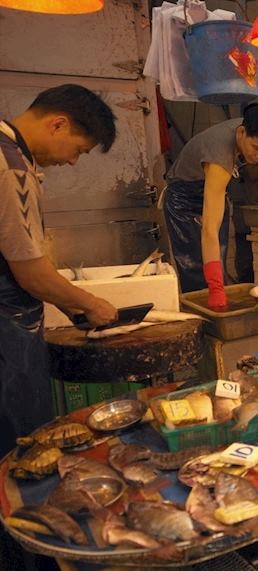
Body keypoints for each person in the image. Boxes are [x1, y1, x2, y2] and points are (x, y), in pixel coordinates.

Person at [0, 85, 118, 571]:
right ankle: (28, 555)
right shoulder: (7, 163)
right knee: (18, 456)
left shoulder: (17, 156)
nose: (73, 163)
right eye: (79, 151)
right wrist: (90, 305)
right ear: (58, 124)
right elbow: (30, 271)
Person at [162, 104, 258, 310]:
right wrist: (215, 288)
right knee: (196, 273)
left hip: (211, 189)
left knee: (218, 264)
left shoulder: (253, 133)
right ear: (241, 133)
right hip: (184, 199)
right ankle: (202, 322)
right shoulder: (219, 159)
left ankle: (218, 313)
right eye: (257, 149)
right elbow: (210, 229)